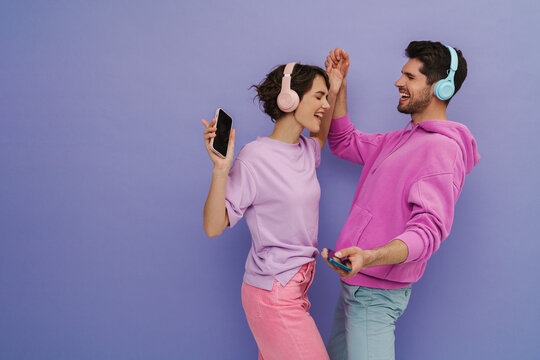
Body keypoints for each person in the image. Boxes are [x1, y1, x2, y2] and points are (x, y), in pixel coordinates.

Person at [321, 41, 480, 360]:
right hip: (354, 286)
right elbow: (343, 142)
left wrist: (370, 256)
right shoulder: (399, 139)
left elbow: (428, 233)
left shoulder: (441, 150)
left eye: (410, 77)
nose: (398, 82)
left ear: (441, 87)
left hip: (375, 295)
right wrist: (339, 87)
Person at [201, 59, 348, 359]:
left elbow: (319, 136)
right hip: (272, 294)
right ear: (289, 98)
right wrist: (221, 169)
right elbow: (214, 226)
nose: (325, 104)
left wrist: (336, 84)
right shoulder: (254, 158)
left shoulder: (306, 150)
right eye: (318, 96)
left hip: (295, 290)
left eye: (325, 97)